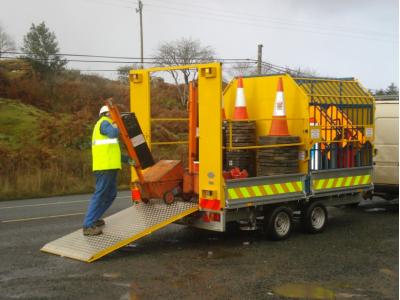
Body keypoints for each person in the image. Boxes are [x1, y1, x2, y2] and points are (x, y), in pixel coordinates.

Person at [83, 105, 126, 236]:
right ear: (107, 114)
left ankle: (94, 219)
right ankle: (88, 225)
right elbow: (113, 132)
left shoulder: (106, 125)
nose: (114, 117)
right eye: (113, 114)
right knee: (101, 194)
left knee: (111, 194)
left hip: (109, 166)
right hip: (104, 167)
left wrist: (126, 159)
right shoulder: (104, 123)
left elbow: (111, 150)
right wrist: (119, 124)